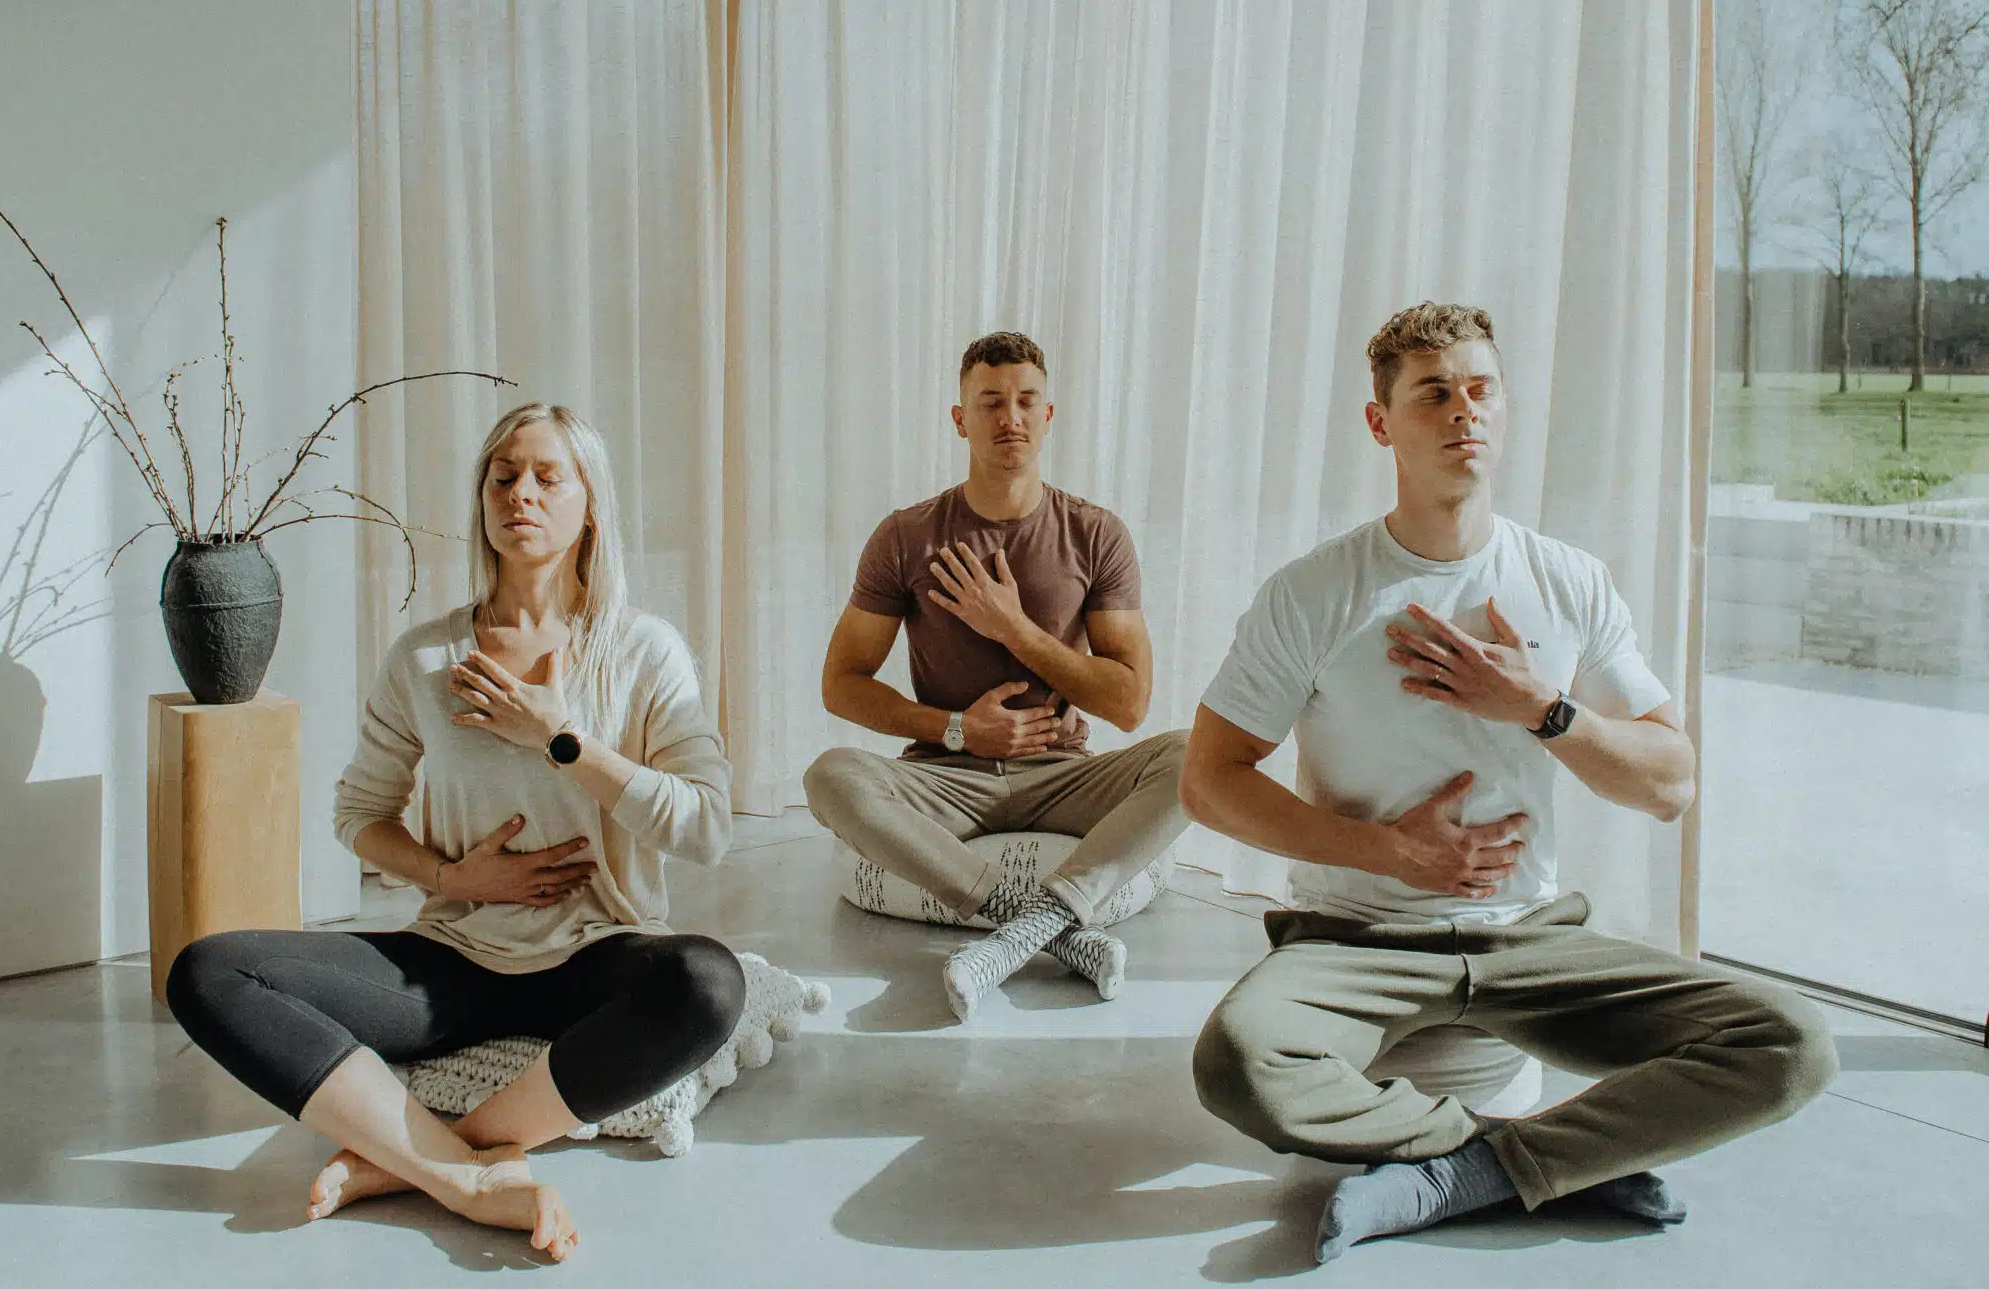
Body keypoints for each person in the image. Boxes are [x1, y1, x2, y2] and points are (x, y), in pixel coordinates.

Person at [1180, 303, 1837, 1262]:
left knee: (1791, 1043)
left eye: (1481, 389)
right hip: (1357, 938)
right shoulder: (1313, 592)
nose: (1464, 410)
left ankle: (1464, 1171)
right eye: (1433, 393)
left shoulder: (1568, 580)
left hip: (1530, 938)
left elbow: (1671, 783)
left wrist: (1543, 707)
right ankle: (1530, 1159)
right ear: (1380, 423)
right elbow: (1209, 781)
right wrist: (1388, 850)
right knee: (1238, 1060)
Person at [165, 403, 744, 1263]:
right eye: (503, 476)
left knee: (711, 984)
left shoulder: (644, 651)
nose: (521, 494)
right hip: (454, 963)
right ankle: (460, 1175)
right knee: (208, 970)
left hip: (598, 955)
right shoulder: (425, 658)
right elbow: (359, 815)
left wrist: (561, 739)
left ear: (591, 505)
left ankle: (425, 1155)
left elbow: (707, 827)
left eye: (548, 477)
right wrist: (455, 879)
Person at [804, 331, 1191, 1021]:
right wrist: (958, 729)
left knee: (1194, 757)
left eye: (1026, 400)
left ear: (1049, 415)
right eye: (990, 402)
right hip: (946, 776)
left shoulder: (1095, 533)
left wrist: (1013, 628)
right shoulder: (906, 535)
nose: (1010, 417)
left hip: (1061, 774)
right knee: (830, 775)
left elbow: (1130, 703)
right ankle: (1036, 923)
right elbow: (842, 682)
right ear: (961, 420)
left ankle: (1036, 922)